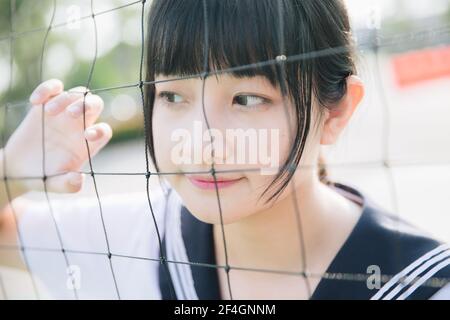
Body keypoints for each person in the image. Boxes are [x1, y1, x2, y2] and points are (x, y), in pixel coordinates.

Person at [0, 0, 448, 300]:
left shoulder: (423, 283)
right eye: (172, 96)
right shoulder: (138, 235)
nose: (201, 140)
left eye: (247, 99)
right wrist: (11, 174)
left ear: (337, 112)